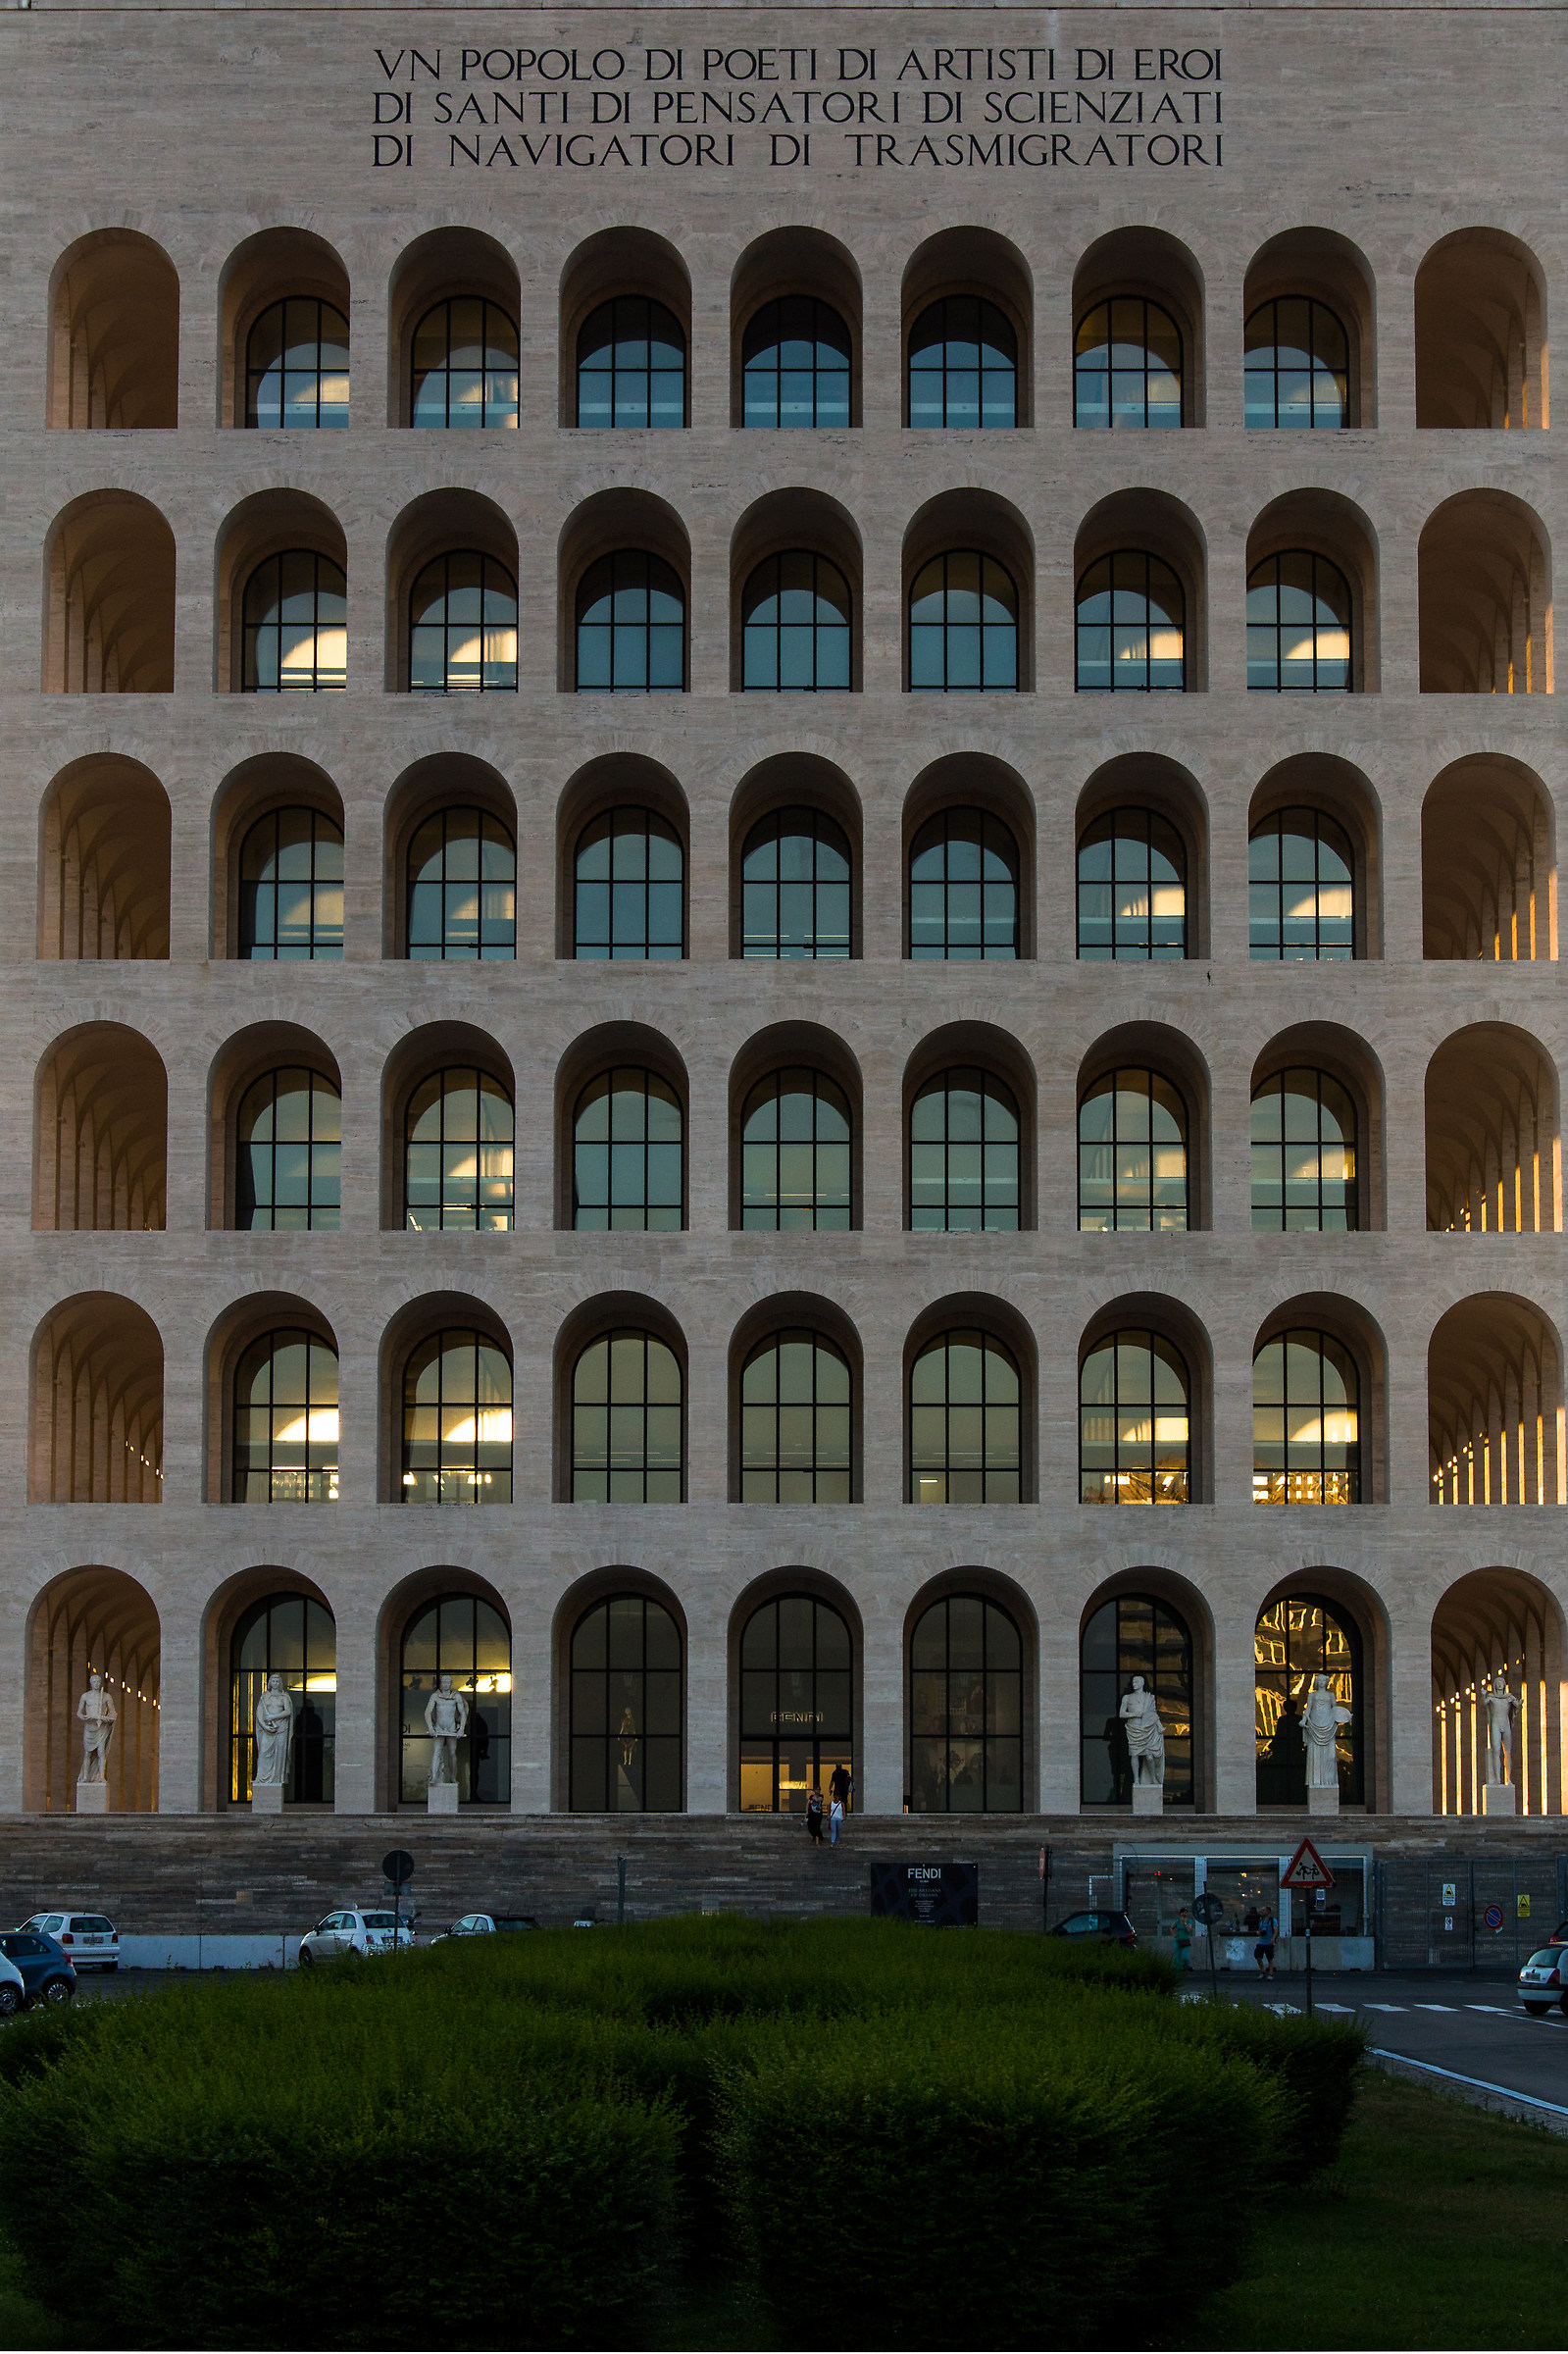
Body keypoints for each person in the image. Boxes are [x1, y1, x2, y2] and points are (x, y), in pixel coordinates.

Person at [1254, 1907, 1278, 1980]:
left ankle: (1270, 1974)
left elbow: (1276, 1930)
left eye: (1264, 1910)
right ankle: (1262, 1971)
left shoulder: (1272, 1920)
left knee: (1270, 1958)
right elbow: (1260, 1929)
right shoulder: (1261, 1920)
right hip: (1261, 1942)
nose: (1262, 1911)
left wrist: (1273, 1938)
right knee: (1258, 1956)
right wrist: (1259, 1932)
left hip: (1268, 1942)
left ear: (1268, 1911)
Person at [1173, 1908, 1192, 1974]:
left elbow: (1189, 1930)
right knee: (1177, 1956)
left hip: (1185, 1941)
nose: (1184, 1914)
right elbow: (1171, 1928)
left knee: (1184, 1956)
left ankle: (1185, 1966)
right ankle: (1178, 1971)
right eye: (1182, 1912)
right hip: (1177, 1941)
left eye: (1185, 1913)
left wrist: (1185, 1923)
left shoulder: (1189, 1921)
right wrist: (1174, 1934)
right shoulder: (1177, 1921)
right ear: (1180, 1913)